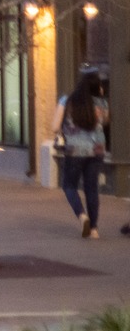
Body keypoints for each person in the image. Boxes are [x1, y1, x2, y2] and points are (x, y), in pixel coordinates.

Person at [53, 70, 110, 239]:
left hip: (75, 150)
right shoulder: (102, 104)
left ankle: (82, 215)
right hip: (97, 149)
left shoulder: (68, 100)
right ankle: (94, 229)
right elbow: (105, 122)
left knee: (69, 186)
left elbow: (55, 127)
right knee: (92, 188)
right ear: (96, 87)